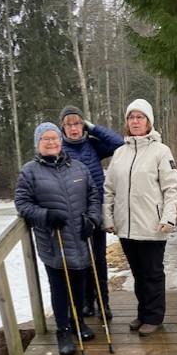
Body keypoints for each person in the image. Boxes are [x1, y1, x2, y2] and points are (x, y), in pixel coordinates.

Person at [15, 122, 101, 355]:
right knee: (60, 287)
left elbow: (93, 196)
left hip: (80, 237)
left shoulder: (79, 167)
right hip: (54, 241)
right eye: (46, 139)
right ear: (38, 143)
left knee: (79, 284)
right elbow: (22, 203)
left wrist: (93, 219)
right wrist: (45, 215)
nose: (52, 142)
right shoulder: (30, 171)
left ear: (61, 141)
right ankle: (63, 331)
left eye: (55, 138)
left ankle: (78, 322)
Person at [103, 99, 177, 336]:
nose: (135, 121)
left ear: (149, 122)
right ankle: (143, 312)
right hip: (126, 226)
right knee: (137, 273)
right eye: (131, 117)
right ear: (127, 122)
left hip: (152, 225)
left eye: (140, 117)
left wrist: (168, 217)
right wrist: (108, 217)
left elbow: (171, 188)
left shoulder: (161, 151)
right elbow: (109, 189)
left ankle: (154, 317)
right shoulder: (119, 153)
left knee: (152, 273)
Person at [59, 105, 124, 320]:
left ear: (83, 125)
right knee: (80, 259)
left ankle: (103, 304)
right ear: (62, 128)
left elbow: (118, 144)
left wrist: (94, 128)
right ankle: (86, 303)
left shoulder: (92, 144)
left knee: (98, 258)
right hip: (73, 214)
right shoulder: (58, 149)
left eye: (77, 123)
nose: (73, 128)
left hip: (96, 210)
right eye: (68, 124)